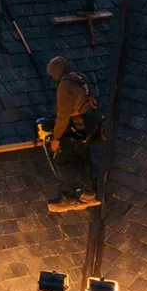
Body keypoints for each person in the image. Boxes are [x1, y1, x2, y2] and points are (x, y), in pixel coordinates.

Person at [46, 56, 99, 204]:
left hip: (77, 126)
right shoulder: (80, 77)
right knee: (84, 158)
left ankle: (69, 195)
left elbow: (63, 116)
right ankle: (90, 191)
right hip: (90, 124)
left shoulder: (65, 85)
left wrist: (56, 138)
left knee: (62, 159)